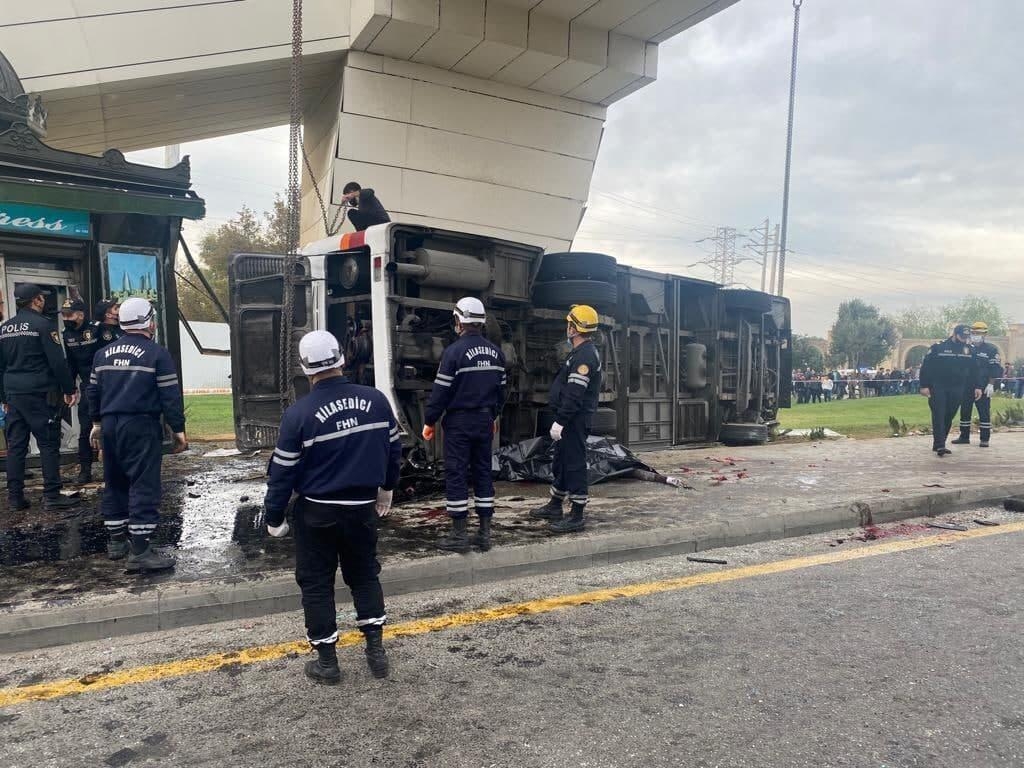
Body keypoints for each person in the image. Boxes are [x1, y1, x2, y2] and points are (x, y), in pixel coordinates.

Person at [263, 330, 401, 685]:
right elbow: (393, 451)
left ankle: (328, 663)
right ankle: (376, 653)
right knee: (365, 575)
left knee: (317, 584)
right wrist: (386, 488)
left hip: (318, 513)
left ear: (306, 368)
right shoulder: (377, 400)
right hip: (362, 510)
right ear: (342, 358)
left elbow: (282, 473)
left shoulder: (299, 414)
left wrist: (274, 517)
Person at [87, 297, 187, 569]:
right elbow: (170, 396)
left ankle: (116, 541)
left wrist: (96, 424)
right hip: (140, 426)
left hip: (109, 426)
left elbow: (92, 392)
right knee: (143, 483)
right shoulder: (158, 354)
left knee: (115, 480)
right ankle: (141, 550)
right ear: (148, 322)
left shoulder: (102, 354)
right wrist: (178, 430)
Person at [422, 297, 507, 553]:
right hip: (484, 420)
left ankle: (459, 534)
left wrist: (429, 421)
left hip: (459, 421)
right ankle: (484, 533)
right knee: (482, 472)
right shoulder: (497, 353)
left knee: (457, 472)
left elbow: (441, 392)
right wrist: (493, 417)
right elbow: (502, 392)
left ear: (458, 321)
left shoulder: (454, 353)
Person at [1, 283, 80, 513]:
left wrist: (3, 396)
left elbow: (0, 366)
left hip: (14, 394)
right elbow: (57, 361)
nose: (43, 301)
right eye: (41, 298)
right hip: (39, 394)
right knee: (47, 443)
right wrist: (69, 389)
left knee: (16, 446)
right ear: (36, 300)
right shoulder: (42, 325)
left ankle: (15, 498)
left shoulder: (4, 329)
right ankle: (52, 495)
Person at [530, 305, 602, 533]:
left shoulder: (585, 356)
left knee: (574, 463)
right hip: (570, 418)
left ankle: (577, 514)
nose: (566, 328)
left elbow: (574, 394)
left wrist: (561, 420)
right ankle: (555, 505)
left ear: (574, 328)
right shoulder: (580, 352)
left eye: (568, 324)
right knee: (561, 460)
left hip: (574, 420)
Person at [919, 324, 978, 457]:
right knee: (939, 413)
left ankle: (939, 442)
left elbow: (975, 370)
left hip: (958, 387)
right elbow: (926, 367)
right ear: (955, 334)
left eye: (966, 337)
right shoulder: (939, 347)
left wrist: (977, 386)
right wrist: (924, 386)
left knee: (949, 415)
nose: (964, 339)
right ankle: (940, 445)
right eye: (962, 336)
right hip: (938, 385)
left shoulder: (969, 349)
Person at [61, 297, 100, 483]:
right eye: (63, 315)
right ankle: (85, 470)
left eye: (69, 315)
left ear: (81, 314)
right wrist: (70, 388)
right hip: (86, 386)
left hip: (105, 384)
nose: (66, 318)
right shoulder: (66, 335)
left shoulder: (97, 329)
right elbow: (71, 364)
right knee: (85, 430)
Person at [952, 321, 1002, 448]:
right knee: (965, 411)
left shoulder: (991, 349)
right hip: (967, 385)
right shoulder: (967, 348)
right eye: (973, 333)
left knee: (984, 412)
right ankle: (964, 436)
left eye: (978, 333)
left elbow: (995, 368)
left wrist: (991, 384)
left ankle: (984, 439)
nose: (975, 335)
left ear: (985, 334)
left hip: (984, 385)